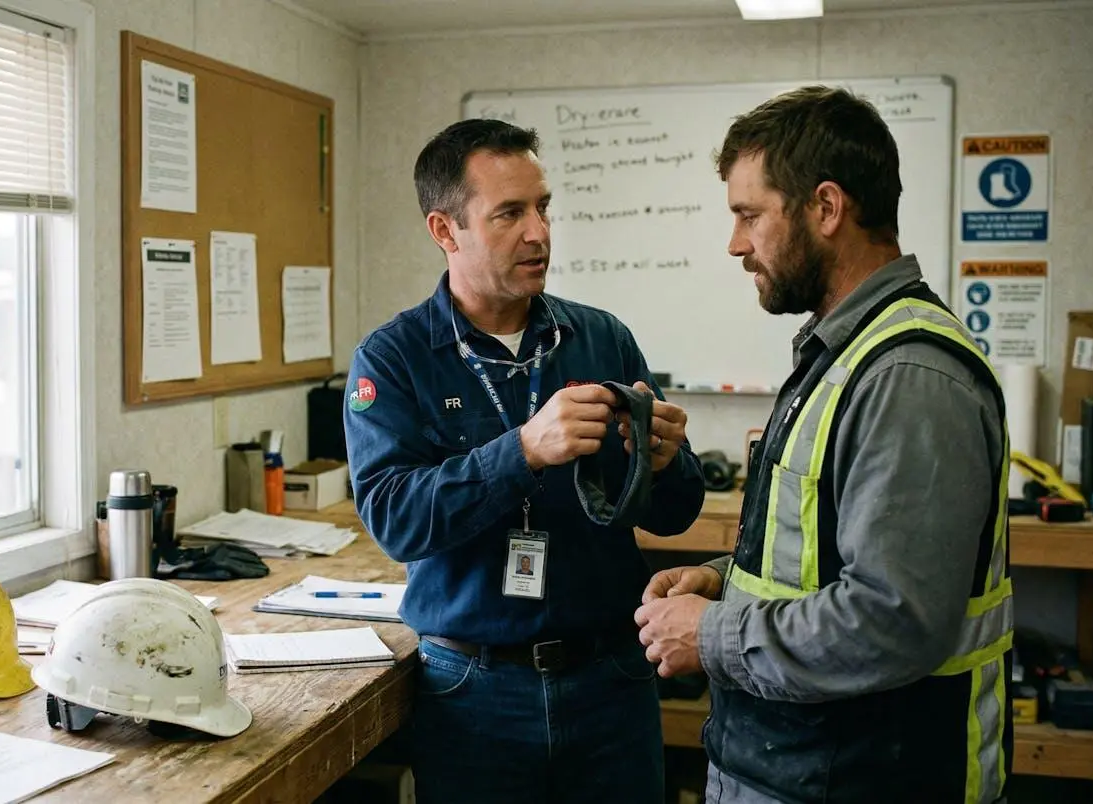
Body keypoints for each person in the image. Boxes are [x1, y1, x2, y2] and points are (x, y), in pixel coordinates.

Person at [634, 86, 1012, 804]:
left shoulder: (908, 376)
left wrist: (712, 635)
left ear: (827, 208)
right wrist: (723, 580)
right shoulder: (841, 353)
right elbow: (820, 553)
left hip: (867, 776)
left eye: (750, 215)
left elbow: (892, 622)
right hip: (802, 767)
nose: (736, 243)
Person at [344, 118, 707, 804]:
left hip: (611, 680)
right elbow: (394, 518)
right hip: (472, 692)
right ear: (445, 231)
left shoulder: (601, 337)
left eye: (543, 208)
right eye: (509, 213)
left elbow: (675, 511)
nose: (538, 232)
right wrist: (521, 452)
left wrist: (664, 463)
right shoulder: (391, 360)